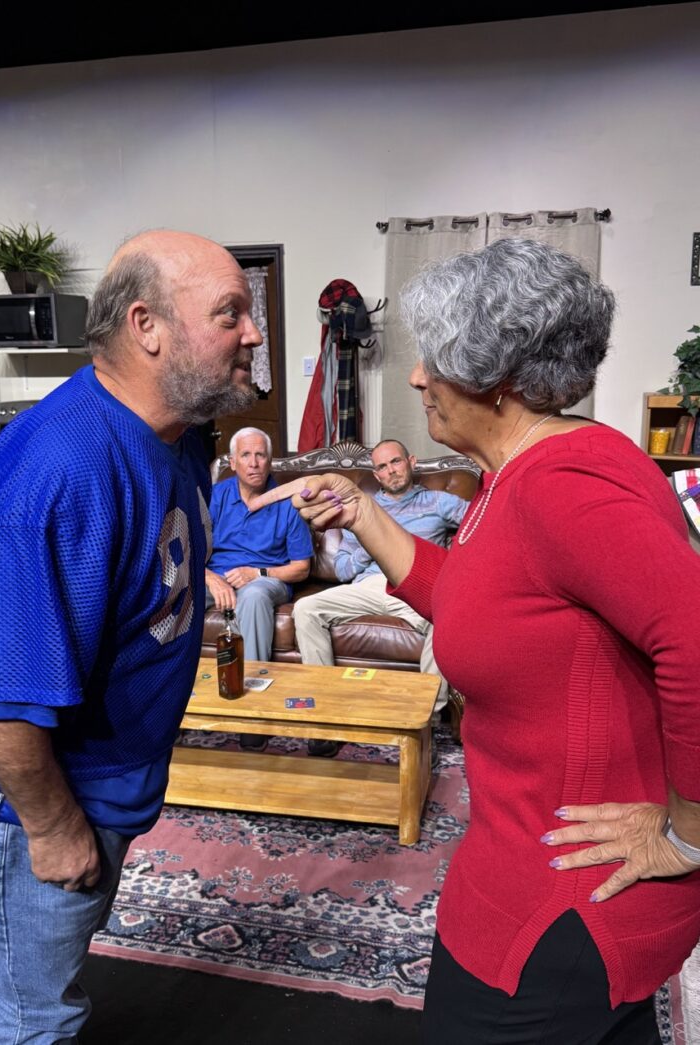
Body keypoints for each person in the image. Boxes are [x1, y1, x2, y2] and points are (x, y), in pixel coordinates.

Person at [254, 237, 700, 1044]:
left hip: (565, 902)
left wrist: (689, 830)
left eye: (434, 359)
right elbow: (473, 604)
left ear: (493, 379)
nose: (418, 377)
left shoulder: (569, 486)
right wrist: (362, 512)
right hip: (552, 885)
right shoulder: (518, 474)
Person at [0, 229, 263, 1044]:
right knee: (32, 1014)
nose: (253, 333)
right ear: (148, 326)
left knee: (51, 978)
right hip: (29, 799)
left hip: (99, 785)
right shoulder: (63, 466)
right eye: (231, 313)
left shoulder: (171, 437)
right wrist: (54, 827)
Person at [293, 437, 467, 757]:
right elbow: (343, 568)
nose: (391, 471)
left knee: (445, 619)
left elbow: (479, 524)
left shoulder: (439, 502)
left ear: (411, 462)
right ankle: (326, 713)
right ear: (376, 475)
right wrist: (366, 542)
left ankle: (425, 721)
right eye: (382, 467)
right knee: (305, 608)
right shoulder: (361, 506)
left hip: (413, 585)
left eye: (396, 462)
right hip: (368, 586)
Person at [206, 426, 312, 750]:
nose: (253, 463)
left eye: (260, 455)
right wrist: (210, 578)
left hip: (268, 579)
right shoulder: (216, 496)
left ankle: (252, 711)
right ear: (234, 462)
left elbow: (302, 567)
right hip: (217, 578)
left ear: (270, 462)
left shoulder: (287, 503)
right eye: (246, 455)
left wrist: (257, 572)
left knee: (252, 596)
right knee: (167, 587)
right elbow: (188, 548)